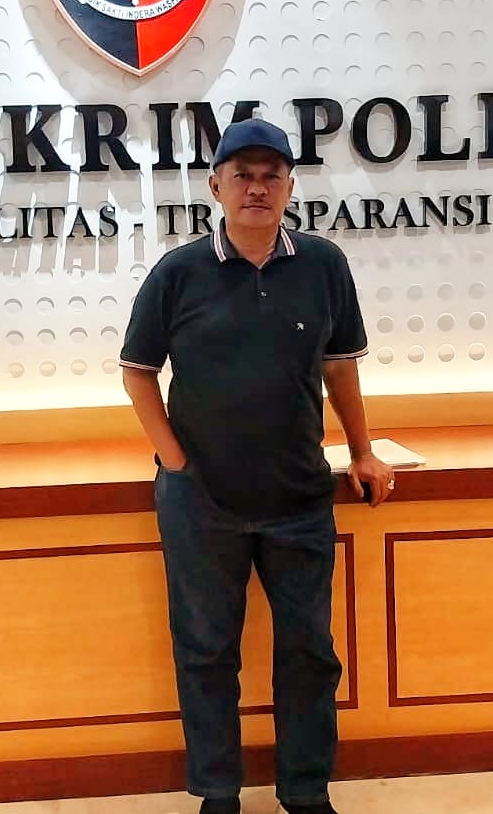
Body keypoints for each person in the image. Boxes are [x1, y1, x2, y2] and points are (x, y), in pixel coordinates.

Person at [120, 118, 395, 814]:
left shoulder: (323, 264)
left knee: (309, 653)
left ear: (290, 188)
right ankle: (219, 793)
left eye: (272, 176)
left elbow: (340, 364)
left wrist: (362, 450)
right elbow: (137, 371)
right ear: (215, 186)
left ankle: (305, 792)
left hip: (298, 497)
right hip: (201, 501)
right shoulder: (178, 273)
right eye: (242, 175)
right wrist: (175, 462)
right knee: (207, 652)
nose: (257, 188)